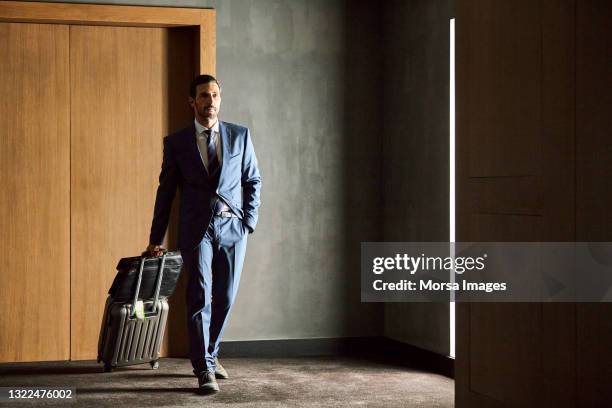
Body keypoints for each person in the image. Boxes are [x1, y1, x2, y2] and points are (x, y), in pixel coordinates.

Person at [146, 74, 261, 394]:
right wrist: (156, 237)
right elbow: (165, 192)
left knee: (224, 297)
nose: (211, 101)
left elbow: (253, 181)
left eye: (215, 95)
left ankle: (210, 352)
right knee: (199, 296)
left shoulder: (239, 136)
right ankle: (203, 368)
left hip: (232, 228)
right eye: (204, 96)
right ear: (192, 101)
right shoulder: (177, 143)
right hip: (196, 230)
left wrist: (248, 222)